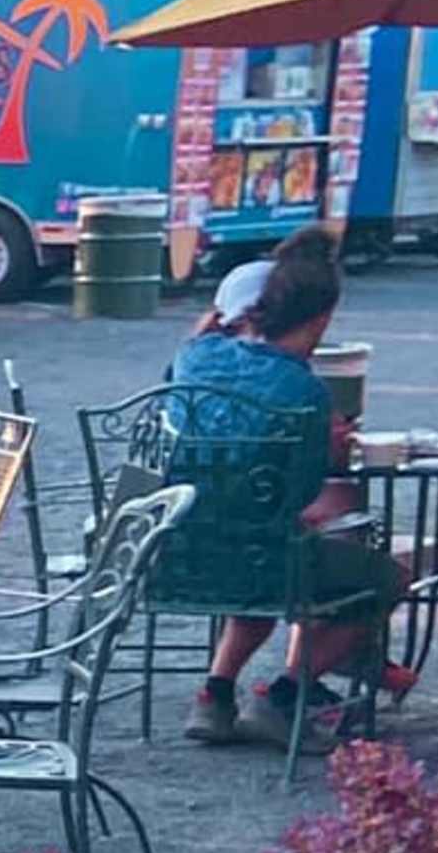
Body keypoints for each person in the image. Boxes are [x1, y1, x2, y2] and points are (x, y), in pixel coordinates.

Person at [162, 239, 402, 747]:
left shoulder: (195, 356)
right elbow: (305, 492)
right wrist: (334, 450)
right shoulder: (304, 391)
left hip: (170, 551)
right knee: (385, 577)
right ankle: (286, 694)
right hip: (263, 561)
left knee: (257, 546)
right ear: (322, 318)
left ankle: (215, 695)